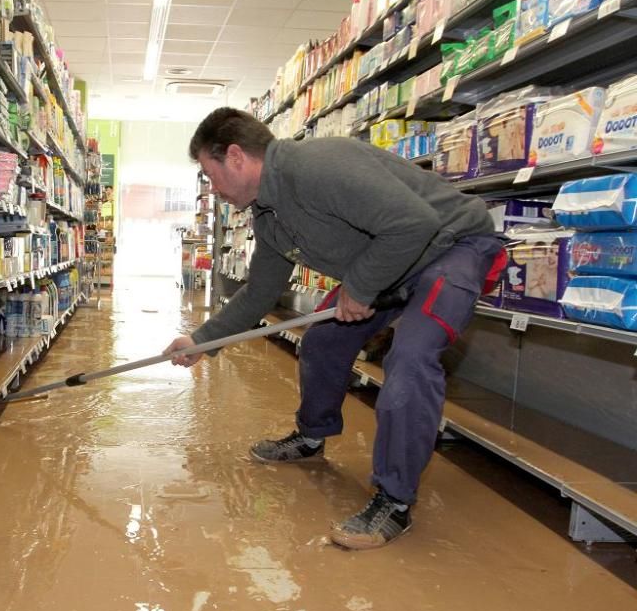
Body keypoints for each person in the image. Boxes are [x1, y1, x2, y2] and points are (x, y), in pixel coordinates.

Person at [164, 108, 506, 550]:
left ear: (235, 157)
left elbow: (414, 223)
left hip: (450, 247)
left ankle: (395, 501)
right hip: (394, 264)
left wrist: (360, 287)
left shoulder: (318, 166)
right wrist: (201, 341)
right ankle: (312, 437)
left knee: (410, 359)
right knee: (323, 342)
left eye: (210, 175)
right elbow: (259, 292)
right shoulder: (268, 215)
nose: (212, 189)